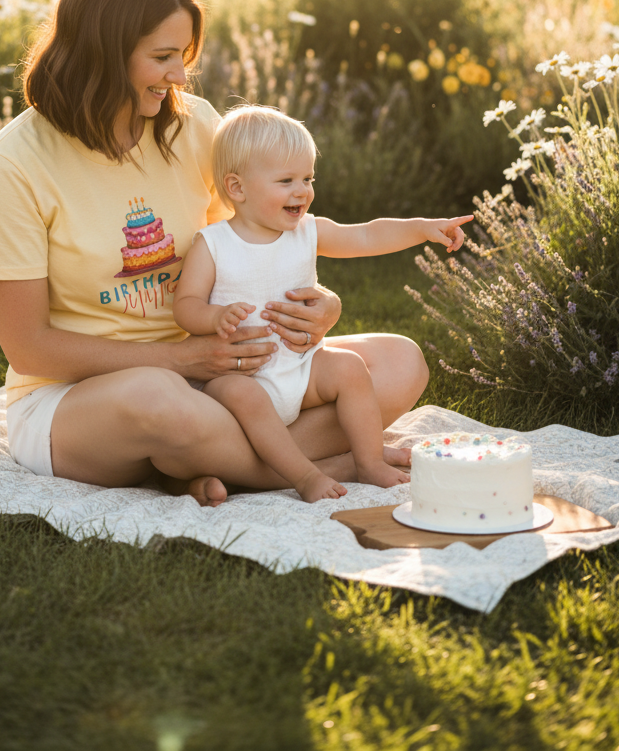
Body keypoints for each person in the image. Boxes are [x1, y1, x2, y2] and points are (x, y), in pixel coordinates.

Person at [0, 0, 430, 506]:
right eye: (162, 56)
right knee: (157, 399)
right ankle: (313, 464)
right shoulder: (14, 164)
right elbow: (30, 348)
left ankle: (193, 464)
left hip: (217, 374)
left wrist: (322, 308)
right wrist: (180, 360)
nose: (179, 76)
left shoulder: (197, 128)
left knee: (399, 362)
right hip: (80, 401)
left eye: (182, 56)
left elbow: (244, 246)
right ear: (102, 53)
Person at [173, 105, 472, 501]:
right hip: (240, 378)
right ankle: (304, 476)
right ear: (237, 187)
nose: (302, 191)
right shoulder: (212, 244)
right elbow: (186, 306)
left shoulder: (307, 231)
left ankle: (367, 461)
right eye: (286, 180)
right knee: (244, 397)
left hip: (300, 366)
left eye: (307, 178)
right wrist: (216, 316)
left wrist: (421, 229)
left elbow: (366, 235)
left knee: (348, 367)